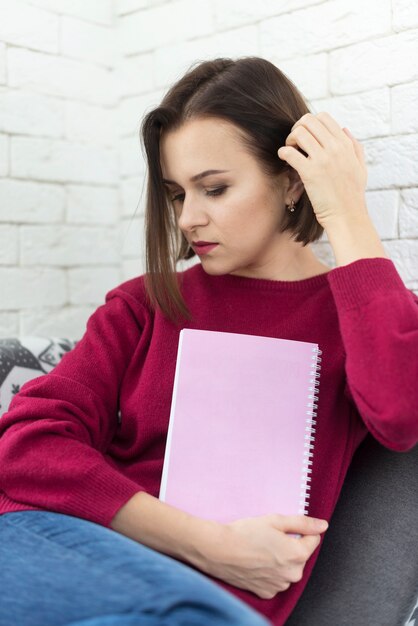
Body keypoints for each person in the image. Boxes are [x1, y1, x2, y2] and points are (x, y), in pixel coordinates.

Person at [0, 56, 417, 626]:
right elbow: (24, 447)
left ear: (292, 181)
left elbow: (401, 416)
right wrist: (207, 544)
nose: (189, 218)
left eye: (214, 189)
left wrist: (345, 212)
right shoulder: (145, 303)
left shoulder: (362, 312)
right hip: (66, 550)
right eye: (176, 195)